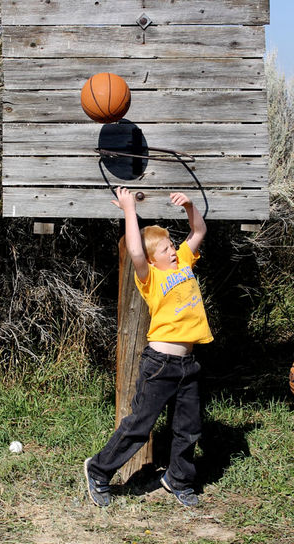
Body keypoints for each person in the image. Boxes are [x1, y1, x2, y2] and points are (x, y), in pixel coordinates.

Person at [84, 187, 213, 508]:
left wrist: (190, 205)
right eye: (166, 249)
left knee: (189, 428)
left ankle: (178, 479)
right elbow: (135, 252)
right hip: (160, 364)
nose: (172, 251)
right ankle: (99, 470)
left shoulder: (184, 263)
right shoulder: (150, 278)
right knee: (140, 425)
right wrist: (130, 209)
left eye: (172, 246)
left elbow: (199, 230)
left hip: (188, 364)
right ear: (153, 259)